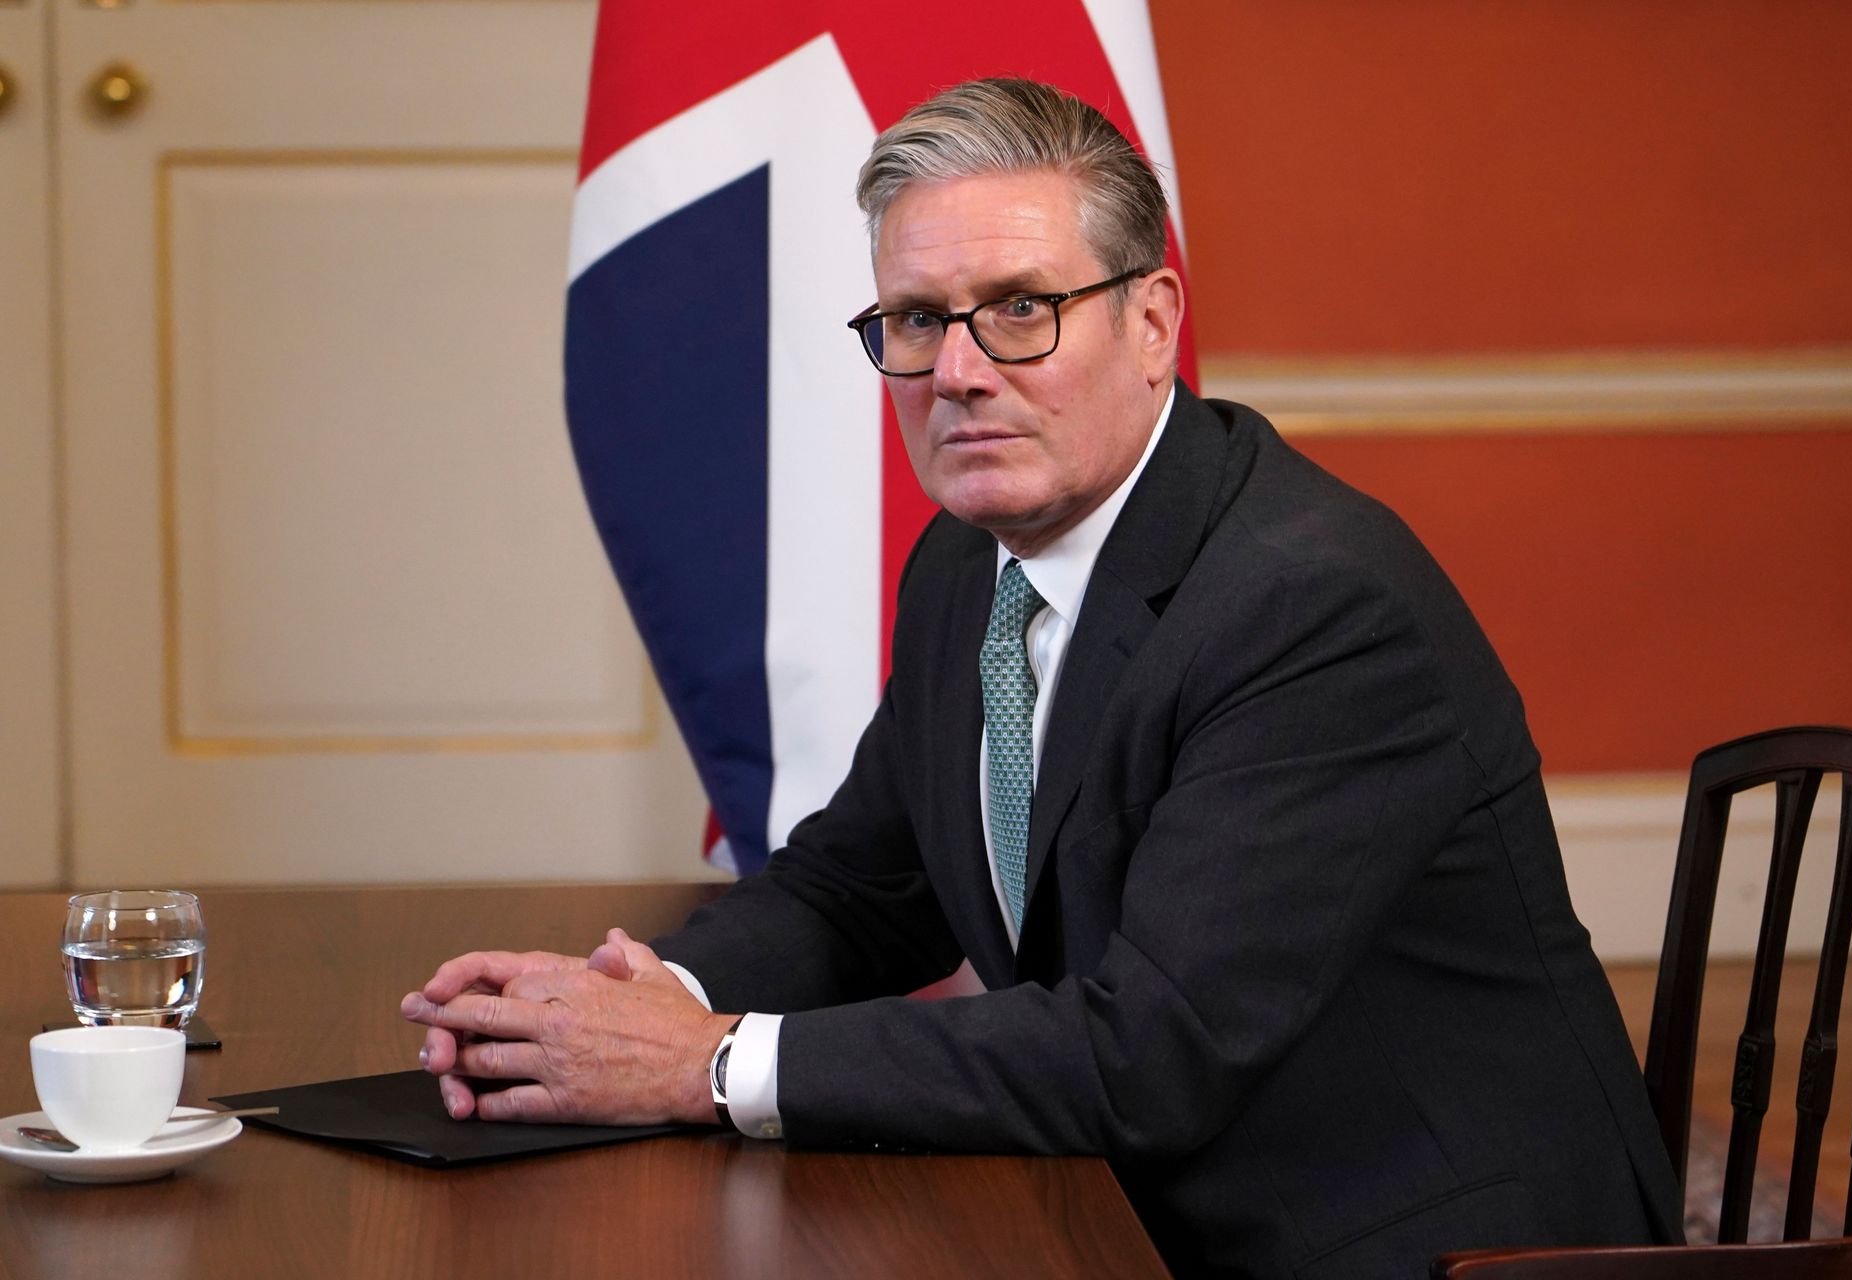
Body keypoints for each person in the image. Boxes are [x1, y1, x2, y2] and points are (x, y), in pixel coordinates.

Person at [403, 78, 1682, 1277]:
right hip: (1126, 1197)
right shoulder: (970, 561)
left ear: (1153, 323)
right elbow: (863, 886)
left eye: (1021, 306)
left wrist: (713, 1063)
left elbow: (1150, 1051)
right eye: (916, 319)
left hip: (1405, 1238)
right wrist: (640, 1001)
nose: (958, 370)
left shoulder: (1311, 604)